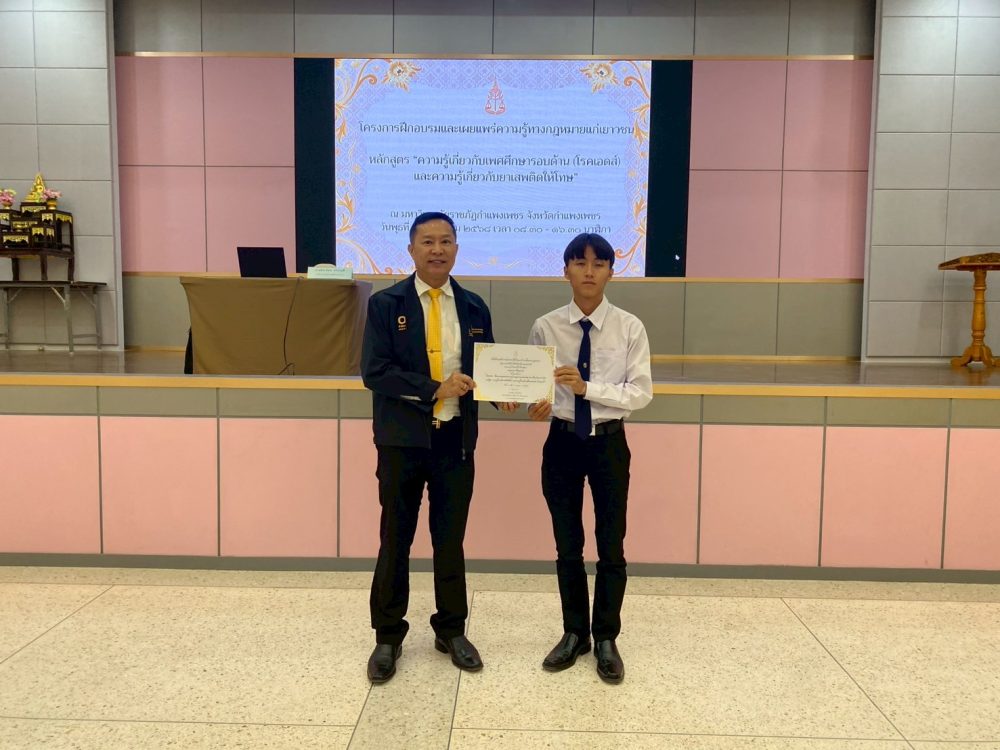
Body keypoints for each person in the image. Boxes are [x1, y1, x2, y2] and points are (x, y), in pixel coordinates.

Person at [361, 211, 515, 684]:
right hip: (402, 442)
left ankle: (451, 630)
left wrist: (504, 393)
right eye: (427, 241)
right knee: (396, 538)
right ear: (411, 250)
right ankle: (388, 635)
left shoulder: (473, 306)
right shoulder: (386, 304)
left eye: (446, 241)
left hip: (455, 442)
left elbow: (485, 369)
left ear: (456, 249)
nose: (437, 249)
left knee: (450, 540)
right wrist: (434, 389)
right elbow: (375, 372)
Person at [526, 232, 653, 684]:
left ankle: (606, 638)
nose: (588, 272)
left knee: (611, 544)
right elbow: (535, 389)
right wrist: (534, 403)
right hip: (561, 441)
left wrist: (587, 389)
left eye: (598, 264)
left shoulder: (629, 327)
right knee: (567, 544)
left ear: (611, 272)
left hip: (608, 443)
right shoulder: (545, 326)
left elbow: (640, 393)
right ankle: (574, 633)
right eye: (579, 263)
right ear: (565, 271)